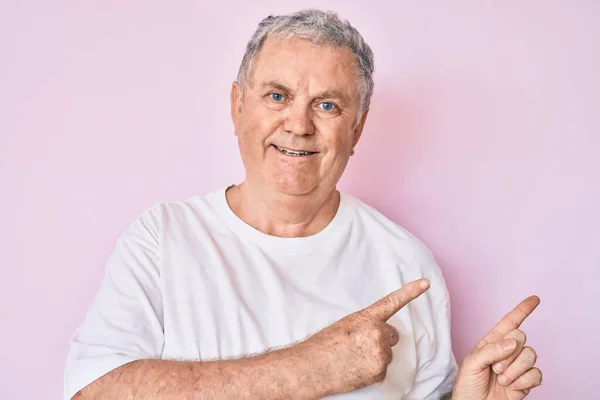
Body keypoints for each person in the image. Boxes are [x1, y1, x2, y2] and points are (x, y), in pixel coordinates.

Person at [64, 9, 542, 400]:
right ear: (237, 107)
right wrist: (312, 368)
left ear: (357, 129)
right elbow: (94, 393)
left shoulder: (406, 264)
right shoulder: (162, 238)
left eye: (328, 105)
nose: (299, 124)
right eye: (277, 96)